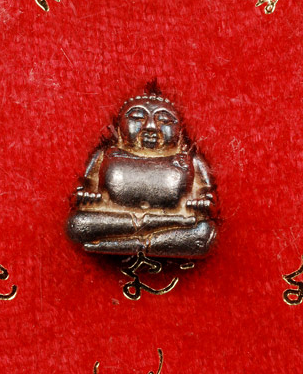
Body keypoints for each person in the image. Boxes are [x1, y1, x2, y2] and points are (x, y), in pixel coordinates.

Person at [67, 92, 217, 258]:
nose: (150, 127)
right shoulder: (105, 155)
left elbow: (210, 199)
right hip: (128, 221)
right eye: (137, 118)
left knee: (204, 233)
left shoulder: (190, 159)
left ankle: (128, 244)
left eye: (165, 121)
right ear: (119, 127)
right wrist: (86, 196)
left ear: (179, 131)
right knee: (78, 224)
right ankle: (150, 236)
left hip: (172, 226)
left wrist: (203, 203)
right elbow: (81, 190)